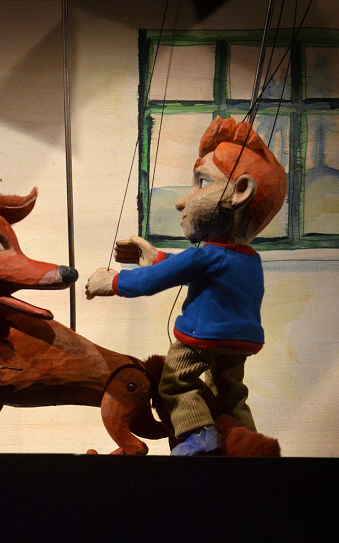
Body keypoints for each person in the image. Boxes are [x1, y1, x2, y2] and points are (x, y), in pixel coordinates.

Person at [85, 117, 287, 455]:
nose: (182, 201)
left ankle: (197, 435)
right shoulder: (249, 259)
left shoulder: (207, 255)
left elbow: (155, 280)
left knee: (174, 382)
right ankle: (248, 441)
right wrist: (156, 257)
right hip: (243, 341)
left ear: (241, 192)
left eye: (202, 182)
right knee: (231, 392)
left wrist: (113, 281)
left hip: (202, 336)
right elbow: (184, 270)